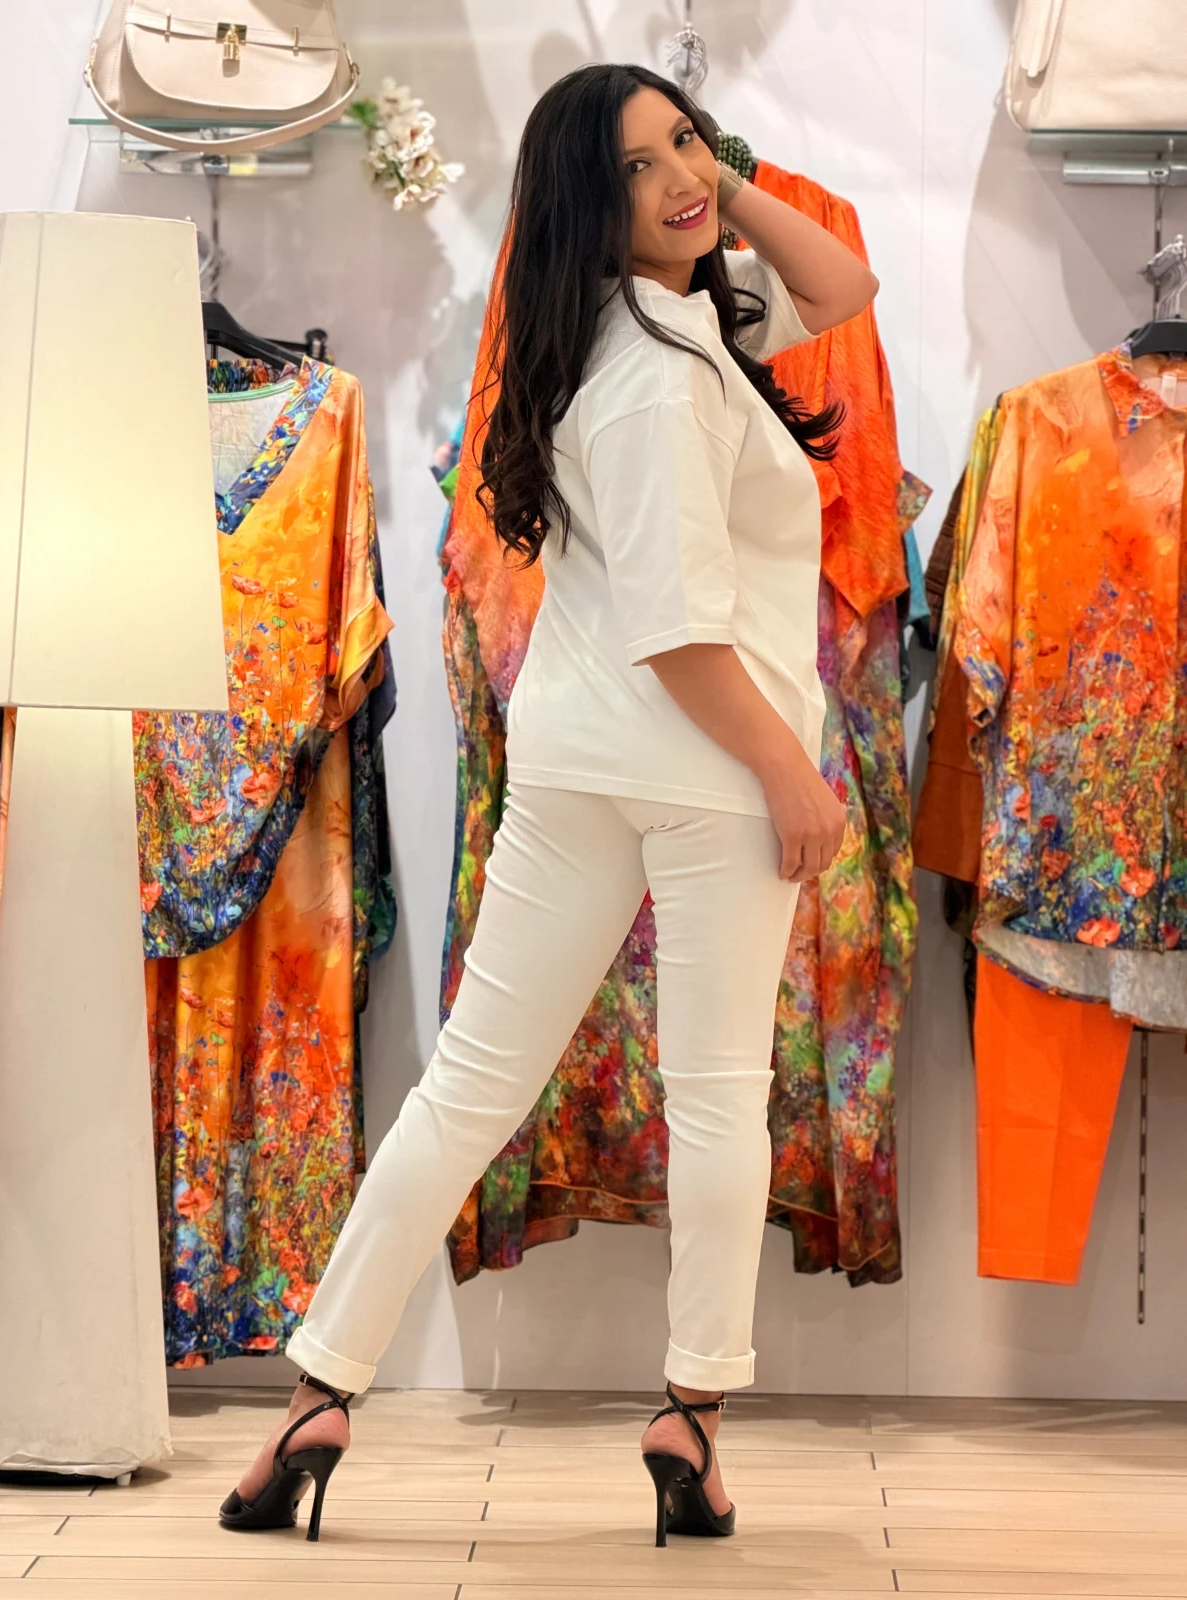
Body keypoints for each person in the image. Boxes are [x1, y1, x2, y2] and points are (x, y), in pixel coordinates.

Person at [220, 61, 876, 1549]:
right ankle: (691, 1417)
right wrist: (792, 774)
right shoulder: (659, 373)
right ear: (590, 201)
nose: (681, 179)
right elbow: (679, 632)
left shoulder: (654, 323)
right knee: (716, 1098)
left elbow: (843, 283)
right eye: (639, 166)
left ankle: (319, 1396)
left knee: (468, 1089)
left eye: (685, 144)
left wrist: (712, 183)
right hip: (707, 769)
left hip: (579, 767)